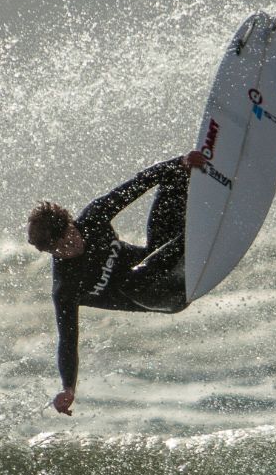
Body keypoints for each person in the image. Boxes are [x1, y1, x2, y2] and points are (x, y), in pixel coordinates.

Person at [27, 150, 208, 415]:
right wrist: (68, 387)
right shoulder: (66, 287)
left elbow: (138, 184)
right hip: (166, 297)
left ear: (71, 222)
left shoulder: (94, 218)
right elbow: (67, 340)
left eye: (69, 237)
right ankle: (193, 239)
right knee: (131, 281)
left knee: (170, 178)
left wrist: (178, 164)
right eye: (60, 249)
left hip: (165, 260)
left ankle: (192, 200)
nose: (70, 248)